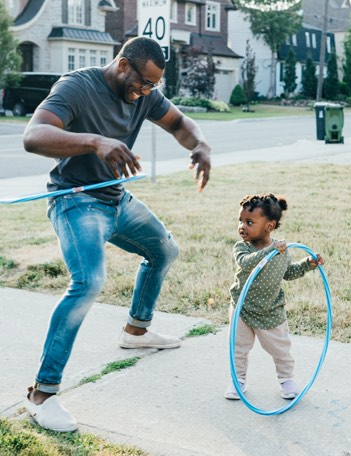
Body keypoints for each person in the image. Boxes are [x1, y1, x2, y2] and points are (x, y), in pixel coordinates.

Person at [22, 36, 211, 432]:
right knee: (89, 282)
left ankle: (136, 331)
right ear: (123, 65)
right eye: (142, 83)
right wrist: (95, 142)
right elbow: (34, 136)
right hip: (74, 200)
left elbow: (178, 122)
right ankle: (42, 394)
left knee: (165, 250)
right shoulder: (77, 86)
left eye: (152, 88)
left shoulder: (144, 94)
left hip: (115, 200)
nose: (145, 93)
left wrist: (200, 145)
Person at [225, 193, 323, 401]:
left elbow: (288, 273)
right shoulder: (242, 247)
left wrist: (308, 264)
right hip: (242, 307)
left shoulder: (281, 249)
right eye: (240, 221)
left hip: (270, 309)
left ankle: (286, 379)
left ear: (269, 226)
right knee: (238, 348)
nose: (242, 226)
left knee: (280, 349)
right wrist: (269, 251)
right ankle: (238, 381)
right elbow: (246, 263)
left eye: (249, 222)